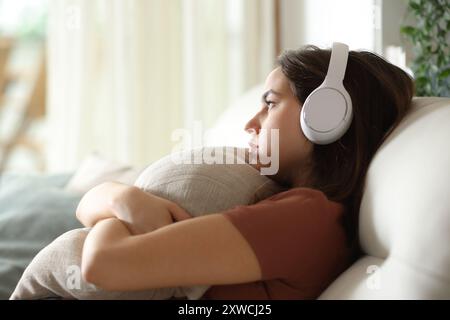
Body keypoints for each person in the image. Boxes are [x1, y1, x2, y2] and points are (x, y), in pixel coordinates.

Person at [75, 44, 414, 299]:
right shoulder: (280, 200)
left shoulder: (307, 217)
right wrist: (126, 197)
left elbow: (103, 265)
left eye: (270, 104)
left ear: (325, 117)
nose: (250, 124)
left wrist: (120, 214)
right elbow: (84, 205)